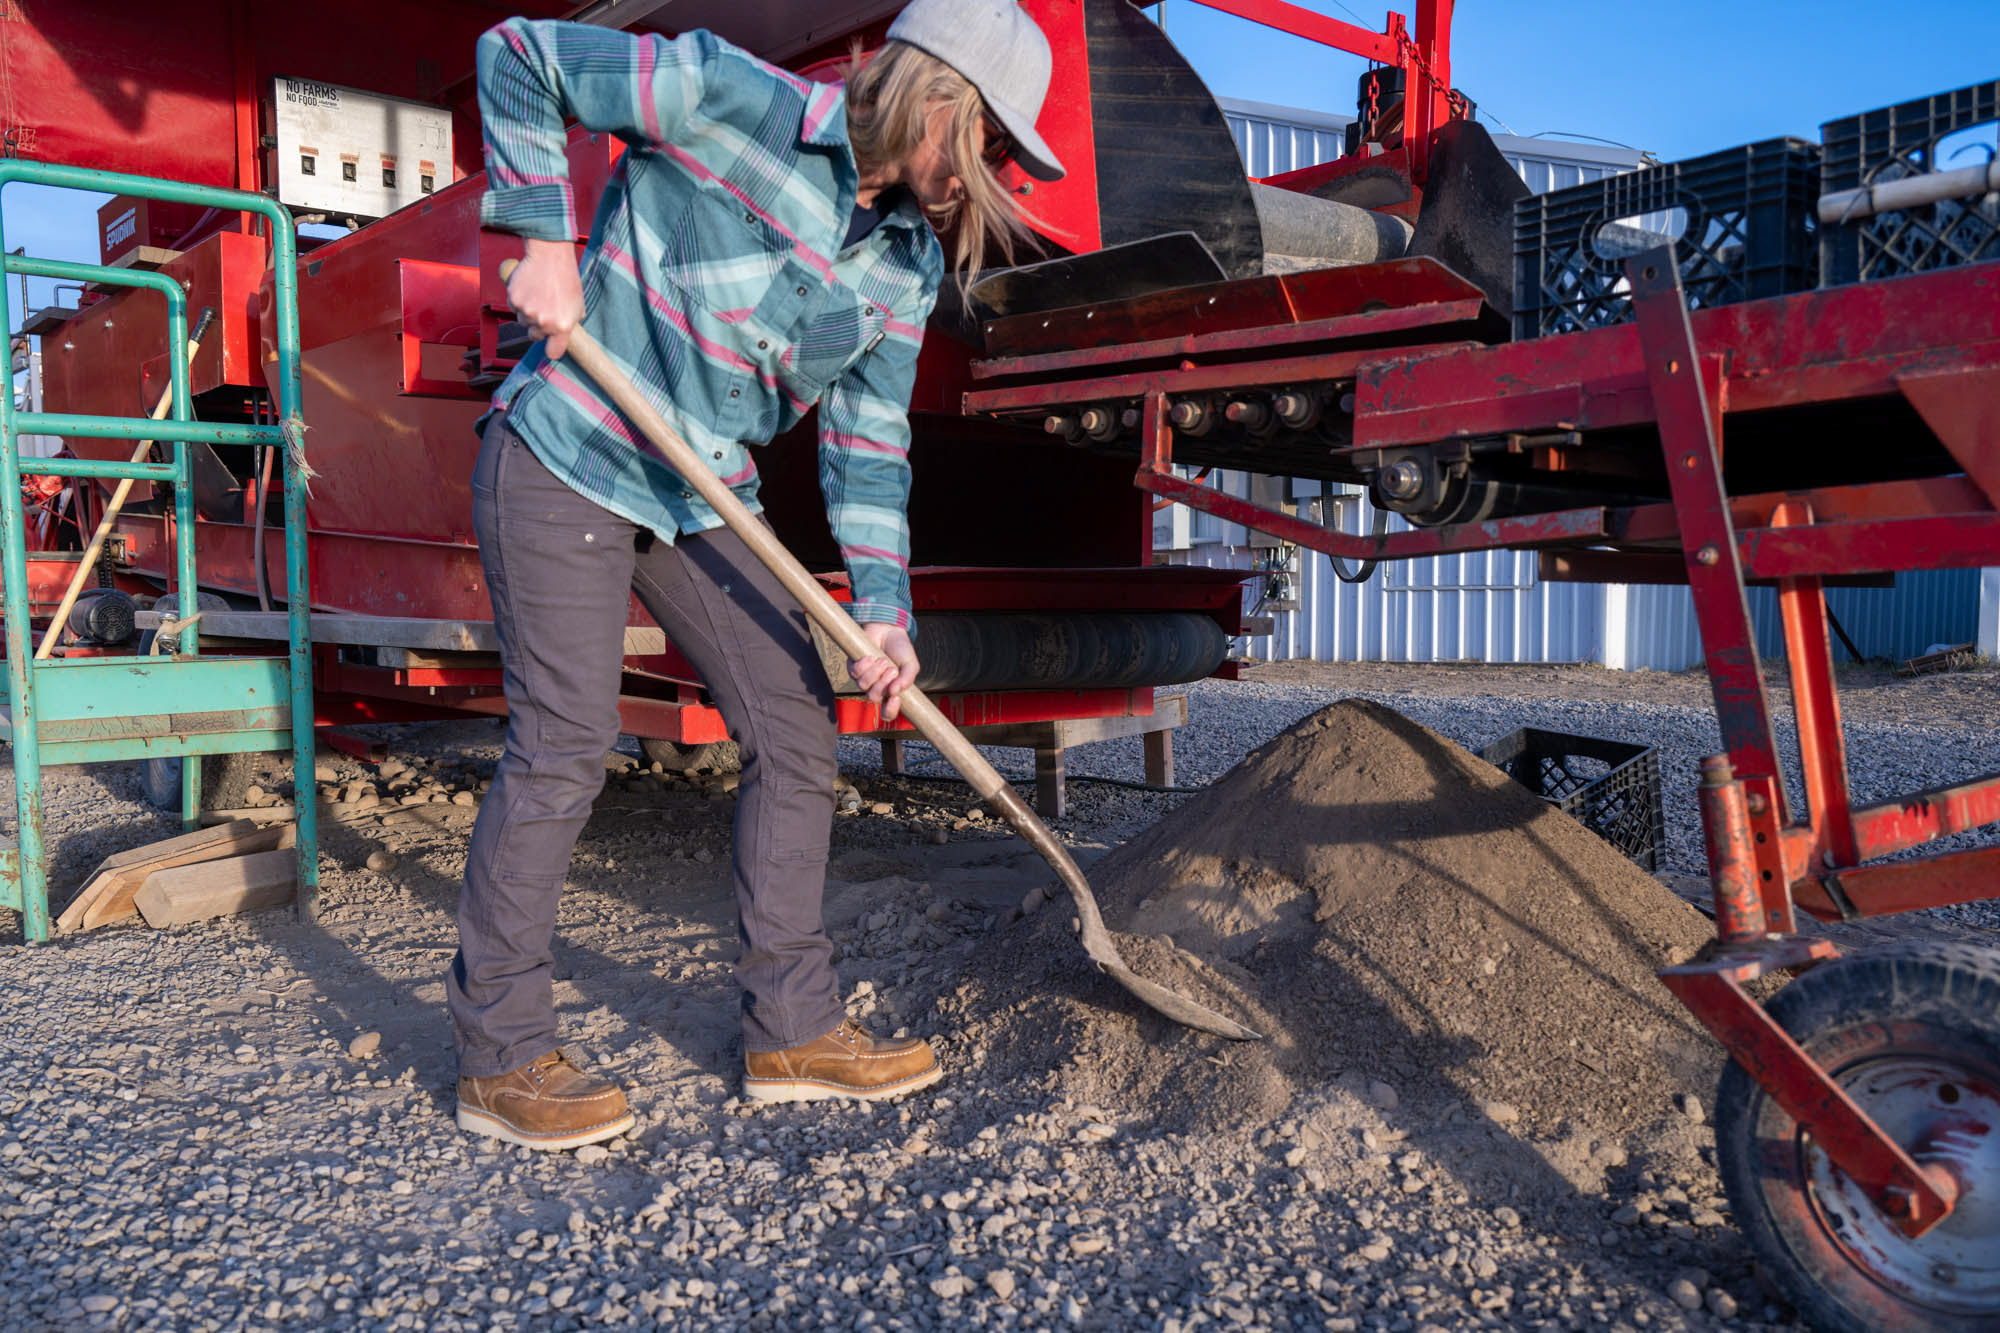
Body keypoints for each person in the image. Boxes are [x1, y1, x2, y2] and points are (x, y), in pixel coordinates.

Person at [448, 0, 1065, 1150]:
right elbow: (520, 56)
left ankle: (790, 1026)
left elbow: (869, 447)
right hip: (568, 448)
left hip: (697, 489)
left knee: (795, 726)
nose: (991, 177)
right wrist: (541, 238)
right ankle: (500, 1049)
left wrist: (882, 616)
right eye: (989, 143)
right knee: (568, 739)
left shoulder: (902, 261)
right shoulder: (736, 100)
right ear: (939, 102)